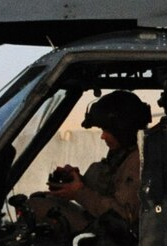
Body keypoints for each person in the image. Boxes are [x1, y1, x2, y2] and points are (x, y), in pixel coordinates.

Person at [26, 90, 150, 237]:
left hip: (113, 237)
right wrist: (76, 180)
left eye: (107, 131)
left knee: (35, 207)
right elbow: (107, 186)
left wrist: (79, 193)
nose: (103, 136)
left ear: (123, 130)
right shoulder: (122, 154)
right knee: (40, 199)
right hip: (101, 227)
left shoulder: (137, 161)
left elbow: (123, 217)